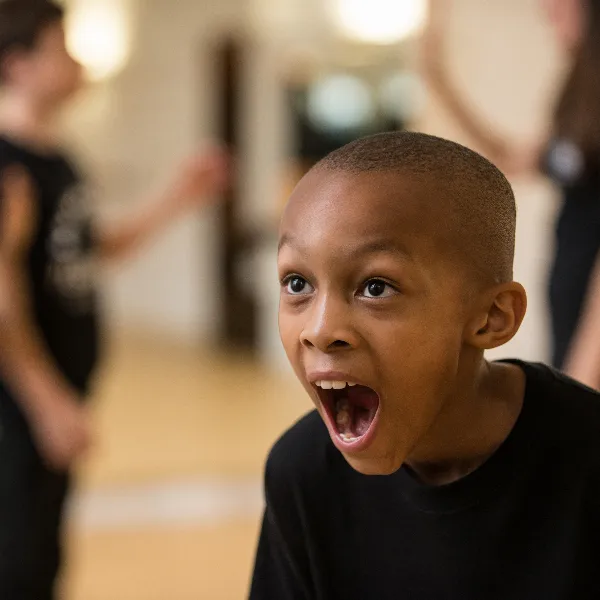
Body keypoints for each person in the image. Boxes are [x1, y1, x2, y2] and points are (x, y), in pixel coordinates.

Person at [249, 131, 600, 599]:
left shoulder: (588, 462)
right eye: (297, 283)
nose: (320, 328)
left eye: (375, 287)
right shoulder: (303, 473)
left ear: (492, 317)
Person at [0, 1, 228, 598]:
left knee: (42, 551)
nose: (77, 61)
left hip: (57, 392)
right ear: (18, 65)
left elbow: (93, 247)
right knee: (19, 561)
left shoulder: (57, 159)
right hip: (18, 406)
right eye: (61, 47)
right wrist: (47, 404)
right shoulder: (9, 169)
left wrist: (181, 195)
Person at [422, 0, 600, 387]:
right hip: (568, 286)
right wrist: (439, 80)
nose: (548, 14)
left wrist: (583, 378)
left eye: (561, 7)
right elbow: (506, 154)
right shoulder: (579, 94)